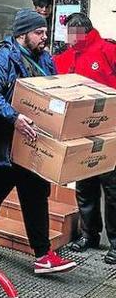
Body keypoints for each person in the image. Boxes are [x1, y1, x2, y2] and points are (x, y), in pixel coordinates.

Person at [0, 9, 77, 274]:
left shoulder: (45, 60)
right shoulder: (2, 60)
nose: (44, 37)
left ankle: (43, 255)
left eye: (44, 32)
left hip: (29, 142)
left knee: (35, 192)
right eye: (38, 32)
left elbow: (54, 90)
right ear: (21, 35)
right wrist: (14, 117)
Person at [54, 13, 116, 264]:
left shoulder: (107, 50)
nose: (71, 38)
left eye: (74, 32)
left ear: (85, 31)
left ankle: (115, 243)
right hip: (79, 133)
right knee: (85, 185)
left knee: (112, 190)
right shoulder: (65, 57)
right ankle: (89, 234)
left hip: (109, 130)